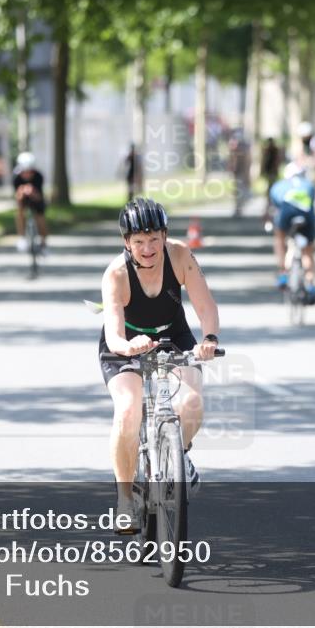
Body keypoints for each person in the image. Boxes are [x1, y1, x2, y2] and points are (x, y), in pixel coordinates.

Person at [99, 197, 220, 532]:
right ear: (127, 243)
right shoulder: (116, 275)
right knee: (128, 409)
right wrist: (128, 345)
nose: (148, 248)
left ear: (165, 236)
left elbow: (205, 306)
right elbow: (113, 335)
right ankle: (126, 500)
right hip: (126, 343)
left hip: (173, 335)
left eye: (154, 239)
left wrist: (208, 339)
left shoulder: (180, 256)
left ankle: (178, 455)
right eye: (138, 242)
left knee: (192, 401)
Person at [265, 162, 315, 304]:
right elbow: (312, 202)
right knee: (308, 250)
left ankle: (283, 273)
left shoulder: (278, 186)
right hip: (306, 217)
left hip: (286, 214)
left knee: (280, 237)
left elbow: (274, 207)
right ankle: (311, 284)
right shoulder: (309, 185)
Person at [13, 152, 48, 253]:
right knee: (19, 212)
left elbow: (39, 196)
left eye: (30, 172)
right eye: (24, 171)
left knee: (40, 217)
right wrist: (22, 192)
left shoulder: (38, 176)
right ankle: (22, 238)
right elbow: (17, 196)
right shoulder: (16, 178)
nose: (27, 174)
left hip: (36, 198)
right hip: (22, 199)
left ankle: (44, 243)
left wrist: (32, 192)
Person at [227, 131, 251, 217]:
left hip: (241, 174)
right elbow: (231, 163)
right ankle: (237, 208)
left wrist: (246, 175)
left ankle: (239, 208)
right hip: (236, 174)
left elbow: (247, 163)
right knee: (236, 192)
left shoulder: (244, 152)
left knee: (241, 192)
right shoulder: (233, 151)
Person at [260, 137, 282, 203]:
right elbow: (264, 161)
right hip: (269, 171)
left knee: (272, 186)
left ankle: (271, 201)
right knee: (270, 186)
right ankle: (269, 201)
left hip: (272, 171)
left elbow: (277, 161)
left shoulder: (275, 150)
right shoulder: (267, 151)